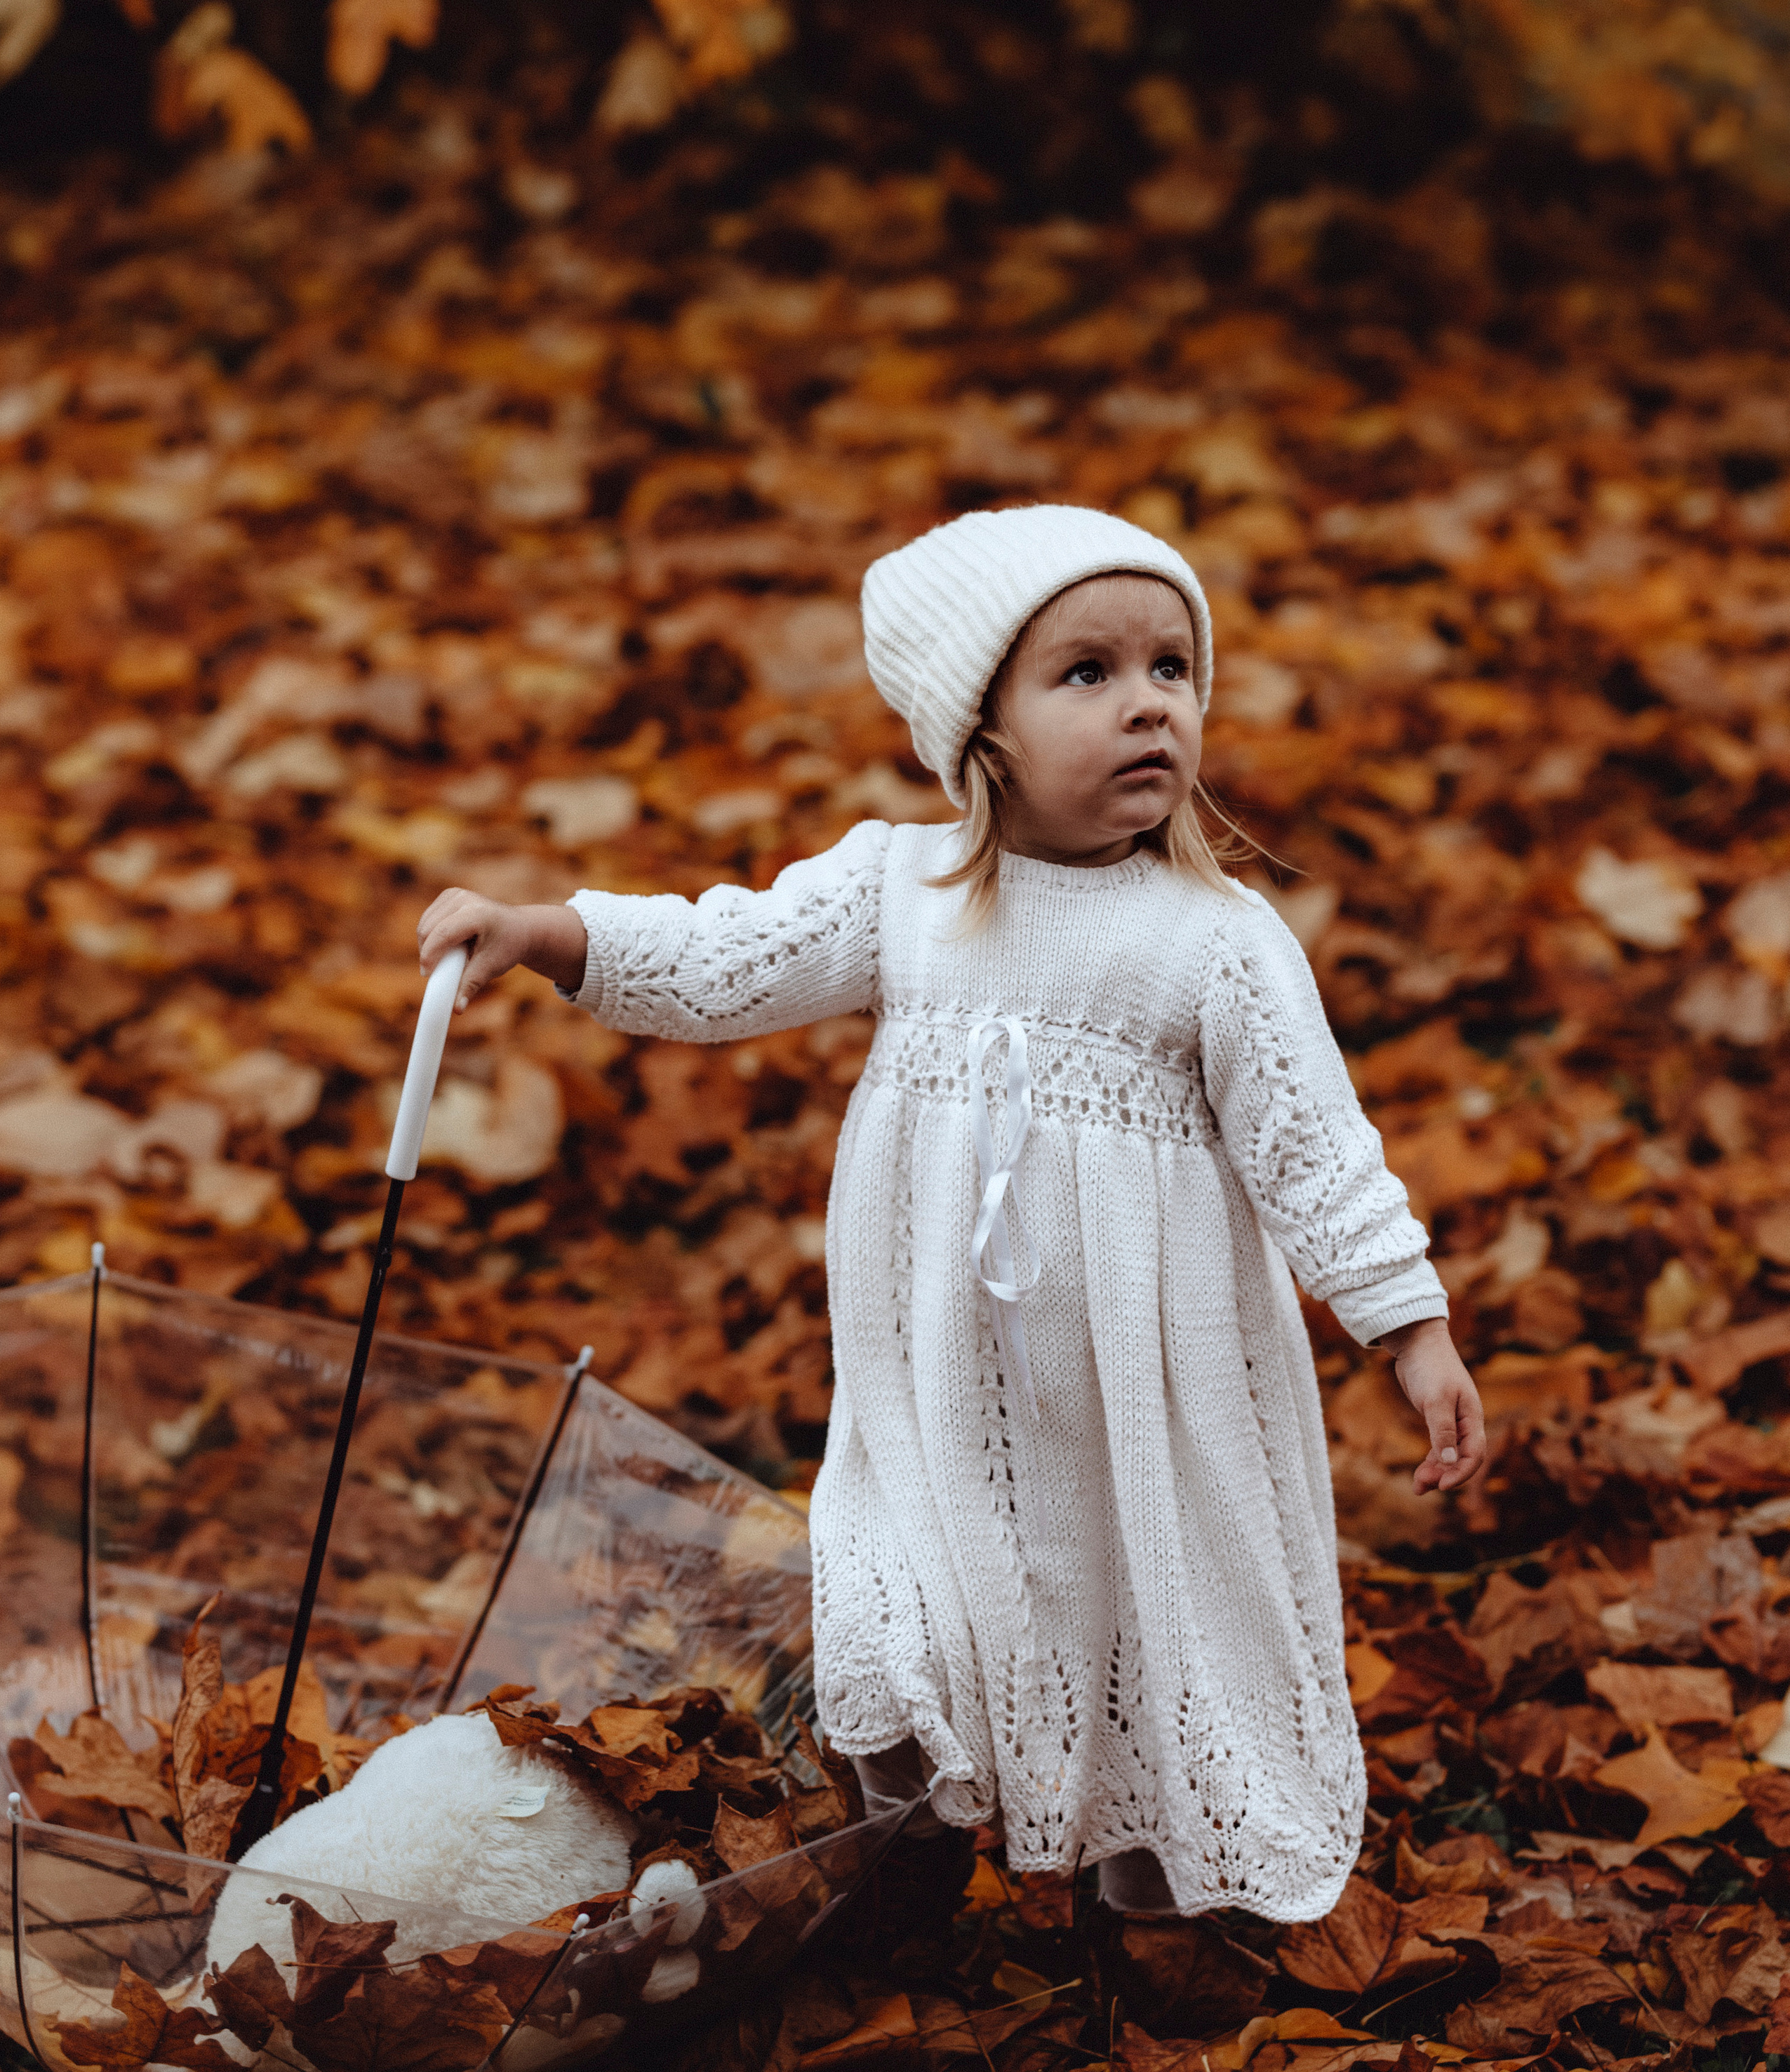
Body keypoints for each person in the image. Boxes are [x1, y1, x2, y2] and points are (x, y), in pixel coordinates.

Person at [417, 502, 1484, 1927]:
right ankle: (891, 1864)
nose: (1146, 705)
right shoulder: (903, 894)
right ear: (979, 731)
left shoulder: (1217, 943)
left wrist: (1404, 1326)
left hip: (1139, 1399)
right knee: (895, 1607)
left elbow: (1314, 1146)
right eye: (1086, 675)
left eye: (1170, 667)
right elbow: (727, 954)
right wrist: (553, 932)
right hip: (929, 1385)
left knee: (1140, 1619)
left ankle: (1158, 1906)